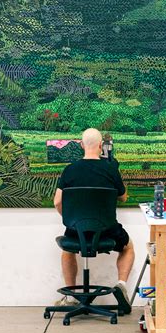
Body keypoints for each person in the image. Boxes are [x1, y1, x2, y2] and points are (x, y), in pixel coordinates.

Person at [53, 128, 134, 312]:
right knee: (128, 247)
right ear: (101, 145)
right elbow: (123, 197)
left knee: (67, 250)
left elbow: (57, 201)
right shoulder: (110, 169)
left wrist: (69, 219)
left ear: (82, 145)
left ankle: (71, 296)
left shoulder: (70, 170)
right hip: (107, 230)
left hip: (76, 229)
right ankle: (121, 285)